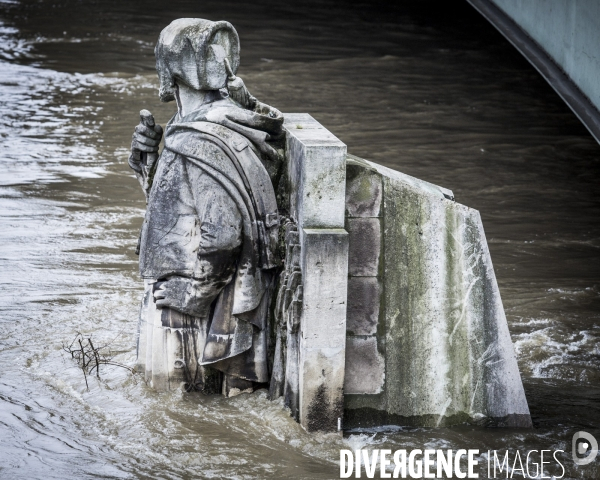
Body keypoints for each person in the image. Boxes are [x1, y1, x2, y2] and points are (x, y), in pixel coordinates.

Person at [128, 18, 284, 395]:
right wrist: (147, 161)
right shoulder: (192, 124)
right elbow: (177, 210)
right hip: (179, 297)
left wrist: (194, 294)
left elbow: (223, 235)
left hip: (185, 314)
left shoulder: (202, 141)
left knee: (173, 423)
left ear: (171, 69)